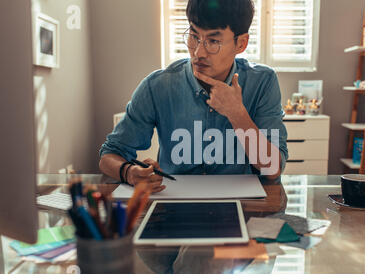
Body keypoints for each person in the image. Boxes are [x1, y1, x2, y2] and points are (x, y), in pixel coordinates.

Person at [99, 0, 288, 188]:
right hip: (173, 204)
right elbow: (109, 154)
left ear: (241, 43)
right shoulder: (158, 86)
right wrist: (129, 173)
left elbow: (272, 169)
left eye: (213, 41)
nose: (198, 52)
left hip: (242, 205)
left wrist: (237, 113)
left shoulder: (263, 82)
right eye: (194, 36)